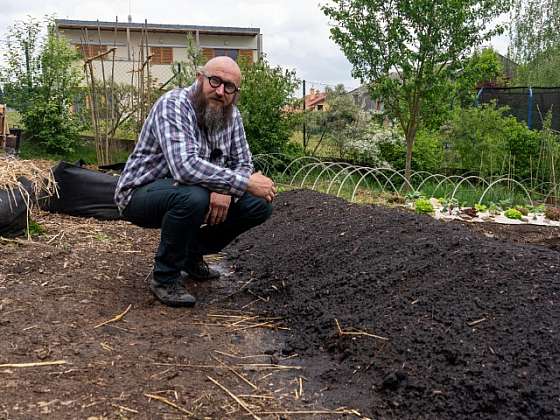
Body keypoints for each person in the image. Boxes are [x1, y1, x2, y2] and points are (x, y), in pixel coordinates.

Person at [114, 56, 276, 307]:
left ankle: (190, 253)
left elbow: (244, 164)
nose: (221, 91)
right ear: (200, 78)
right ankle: (165, 278)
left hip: (193, 190)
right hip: (141, 193)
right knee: (193, 196)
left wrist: (227, 191)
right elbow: (185, 168)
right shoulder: (174, 104)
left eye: (229, 87)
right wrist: (235, 184)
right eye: (215, 81)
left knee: (258, 203)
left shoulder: (232, 117)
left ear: (235, 92)